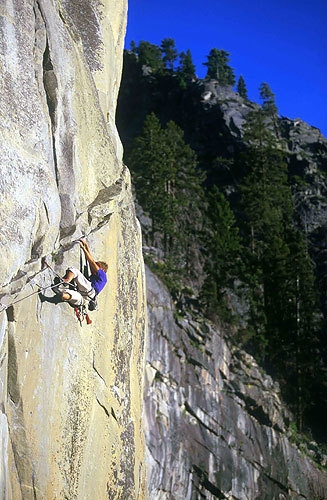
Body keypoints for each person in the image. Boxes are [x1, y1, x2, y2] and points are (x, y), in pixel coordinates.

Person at [59, 239, 108, 308]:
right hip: (87, 300)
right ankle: (62, 294)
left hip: (89, 290)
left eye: (97, 266)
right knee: (72, 295)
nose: (93, 268)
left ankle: (67, 281)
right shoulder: (100, 278)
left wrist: (83, 248)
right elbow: (91, 260)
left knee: (75, 271)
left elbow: (91, 262)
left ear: (102, 269)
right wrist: (86, 246)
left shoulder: (102, 274)